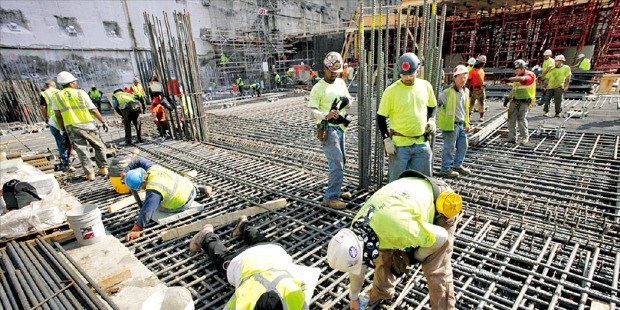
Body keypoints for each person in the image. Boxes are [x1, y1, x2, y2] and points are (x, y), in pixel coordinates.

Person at [327, 170, 461, 309]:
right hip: (403, 197)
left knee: (436, 268)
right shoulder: (358, 230)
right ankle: (382, 291)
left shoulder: (402, 228)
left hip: (441, 203)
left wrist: (417, 255)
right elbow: (357, 267)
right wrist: (354, 298)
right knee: (382, 252)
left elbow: (441, 237)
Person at [188, 216, 320, 309]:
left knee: (260, 242)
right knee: (222, 260)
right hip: (246, 259)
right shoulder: (246, 302)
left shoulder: (295, 295)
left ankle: (244, 224)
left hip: (273, 250)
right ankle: (207, 236)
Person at [377, 52, 437, 181]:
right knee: (396, 182)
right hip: (399, 146)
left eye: (411, 74)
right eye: (404, 75)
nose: (408, 78)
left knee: (423, 182)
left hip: (421, 143)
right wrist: (386, 139)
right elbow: (380, 117)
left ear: (418, 71)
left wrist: (431, 119)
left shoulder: (426, 86)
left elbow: (432, 106)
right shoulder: (391, 91)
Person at [122, 157, 212, 241]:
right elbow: (139, 160)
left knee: (153, 205)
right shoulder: (152, 168)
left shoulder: (154, 190)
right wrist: (126, 170)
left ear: (144, 181)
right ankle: (199, 188)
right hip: (188, 186)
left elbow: (146, 211)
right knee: (166, 190)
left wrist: (137, 229)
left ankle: (194, 192)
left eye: (141, 187)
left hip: (183, 202)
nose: (141, 189)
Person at [308, 51, 352, 209]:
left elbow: (349, 101)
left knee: (342, 161)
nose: (334, 74)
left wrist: (343, 103)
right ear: (324, 68)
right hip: (328, 129)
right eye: (331, 71)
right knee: (337, 163)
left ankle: (336, 190)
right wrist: (325, 115)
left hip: (341, 127)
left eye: (337, 72)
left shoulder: (340, 83)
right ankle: (330, 197)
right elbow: (311, 112)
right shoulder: (318, 88)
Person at [52, 71, 108, 181]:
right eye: (75, 82)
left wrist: (62, 129)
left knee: (81, 150)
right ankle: (103, 168)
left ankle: (90, 174)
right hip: (88, 124)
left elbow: (58, 116)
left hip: (72, 126)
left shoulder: (57, 96)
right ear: (71, 83)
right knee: (99, 145)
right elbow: (93, 109)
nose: (76, 83)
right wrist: (103, 121)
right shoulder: (80, 93)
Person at [437, 65, 471, 178]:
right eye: (461, 77)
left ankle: (457, 165)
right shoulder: (447, 92)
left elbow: (465, 109)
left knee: (463, 145)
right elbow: (436, 102)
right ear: (455, 78)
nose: (463, 80)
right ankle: (445, 169)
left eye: (465, 77)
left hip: (461, 124)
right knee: (449, 148)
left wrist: (467, 123)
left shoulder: (466, 92)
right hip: (450, 125)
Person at [39, 80, 71, 171]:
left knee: (59, 141)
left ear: (46, 86)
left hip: (53, 119)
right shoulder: (60, 92)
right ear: (54, 85)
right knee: (68, 139)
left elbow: (43, 107)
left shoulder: (44, 93)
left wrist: (45, 117)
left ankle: (65, 162)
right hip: (64, 117)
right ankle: (71, 157)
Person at [506, 59, 536, 144]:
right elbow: (514, 88)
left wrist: (511, 79)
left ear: (523, 68)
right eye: (515, 70)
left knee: (521, 119)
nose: (516, 71)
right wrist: (508, 98)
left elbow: (524, 79)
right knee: (511, 118)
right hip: (515, 100)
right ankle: (511, 137)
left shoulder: (530, 74)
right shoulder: (516, 76)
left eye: (517, 69)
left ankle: (524, 137)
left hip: (525, 100)